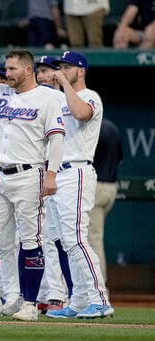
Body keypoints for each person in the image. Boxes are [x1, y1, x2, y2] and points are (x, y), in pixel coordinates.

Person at [0, 32, 65, 322]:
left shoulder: (48, 98)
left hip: (30, 173)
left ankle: (30, 304)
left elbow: (56, 140)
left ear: (29, 70)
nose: (7, 73)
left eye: (13, 68)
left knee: (31, 240)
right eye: (6, 69)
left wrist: (52, 174)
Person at [46, 50, 114, 319]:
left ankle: (100, 298)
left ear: (80, 70)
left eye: (67, 66)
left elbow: (82, 113)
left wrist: (62, 84)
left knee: (76, 239)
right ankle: (79, 299)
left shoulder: (89, 96)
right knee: (63, 241)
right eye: (60, 66)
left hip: (77, 171)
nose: (61, 69)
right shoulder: (58, 98)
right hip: (56, 173)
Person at [34, 55, 73, 314]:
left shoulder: (66, 100)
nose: (43, 75)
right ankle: (53, 294)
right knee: (46, 239)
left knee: (67, 240)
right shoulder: (37, 98)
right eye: (40, 71)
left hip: (65, 173)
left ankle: (71, 293)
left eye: (49, 70)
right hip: (42, 172)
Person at [88, 118, 123, 283]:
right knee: (90, 238)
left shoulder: (93, 129)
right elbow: (120, 160)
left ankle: (99, 288)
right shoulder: (113, 127)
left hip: (95, 188)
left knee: (92, 239)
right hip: (110, 188)